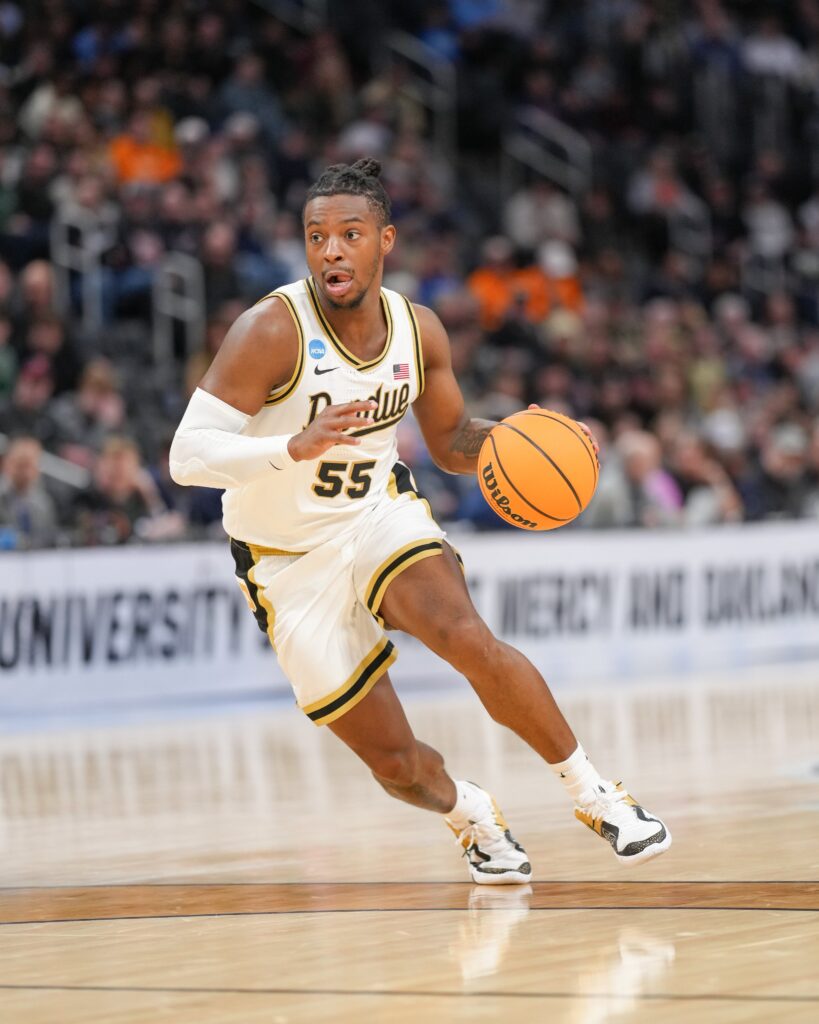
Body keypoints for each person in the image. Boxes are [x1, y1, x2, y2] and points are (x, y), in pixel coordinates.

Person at [170, 159, 671, 883]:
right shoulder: (270, 331)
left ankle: (596, 795)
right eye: (316, 237)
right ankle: (469, 814)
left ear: (385, 241)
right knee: (397, 765)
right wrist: (291, 446)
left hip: (376, 515)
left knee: (464, 636)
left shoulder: (418, 331)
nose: (331, 251)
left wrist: (521, 440)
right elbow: (187, 455)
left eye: (349, 235)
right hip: (284, 560)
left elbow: (451, 442)